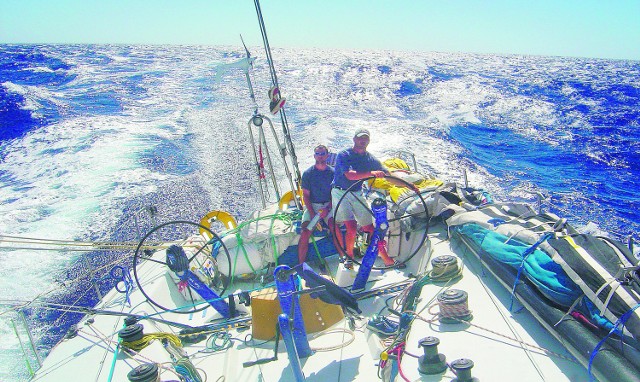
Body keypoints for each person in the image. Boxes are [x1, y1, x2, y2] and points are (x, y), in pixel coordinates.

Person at [331, 128, 397, 267]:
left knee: (370, 228)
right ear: (354, 139)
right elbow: (350, 175)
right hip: (340, 192)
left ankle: (386, 259)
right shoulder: (344, 154)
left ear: (369, 141)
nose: (363, 141)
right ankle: (349, 257)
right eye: (360, 138)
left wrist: (410, 186)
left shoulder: (370, 158)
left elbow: (388, 175)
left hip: (357, 192)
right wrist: (371, 173)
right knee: (352, 226)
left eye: (366, 138)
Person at [298, 145, 336, 264]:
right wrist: (314, 214)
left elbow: (334, 195)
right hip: (313, 207)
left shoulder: (333, 173)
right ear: (314, 156)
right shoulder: (308, 174)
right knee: (305, 232)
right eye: (318, 154)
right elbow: (306, 196)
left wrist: (327, 208)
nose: (320, 156)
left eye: (322, 153)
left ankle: (343, 257)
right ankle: (301, 265)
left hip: (328, 206)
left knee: (334, 227)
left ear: (327, 155)